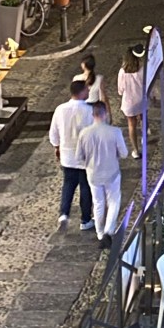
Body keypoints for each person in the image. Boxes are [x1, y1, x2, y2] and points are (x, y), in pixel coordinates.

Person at [75, 101, 128, 249]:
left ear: (93, 115)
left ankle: (99, 233)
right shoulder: (115, 132)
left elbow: (78, 157)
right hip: (112, 172)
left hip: (93, 174)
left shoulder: (84, 133)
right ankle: (108, 231)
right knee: (114, 201)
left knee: (98, 203)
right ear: (105, 114)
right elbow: (124, 153)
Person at [49, 81, 94, 233]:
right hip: (84, 156)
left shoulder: (60, 110)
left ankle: (64, 213)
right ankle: (85, 219)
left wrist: (57, 147)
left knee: (68, 185)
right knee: (85, 187)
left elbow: (54, 132)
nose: (89, 92)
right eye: (87, 90)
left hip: (67, 155)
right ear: (82, 92)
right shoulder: (89, 110)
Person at [117, 45, 147, 158]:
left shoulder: (122, 72)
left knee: (131, 125)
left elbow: (120, 90)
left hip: (129, 102)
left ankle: (136, 151)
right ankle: (144, 138)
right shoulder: (142, 69)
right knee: (144, 119)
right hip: (142, 100)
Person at [74, 53, 112, 122]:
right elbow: (103, 98)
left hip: (81, 109)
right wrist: (108, 114)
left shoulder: (76, 78)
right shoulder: (99, 78)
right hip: (95, 110)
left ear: (83, 65)